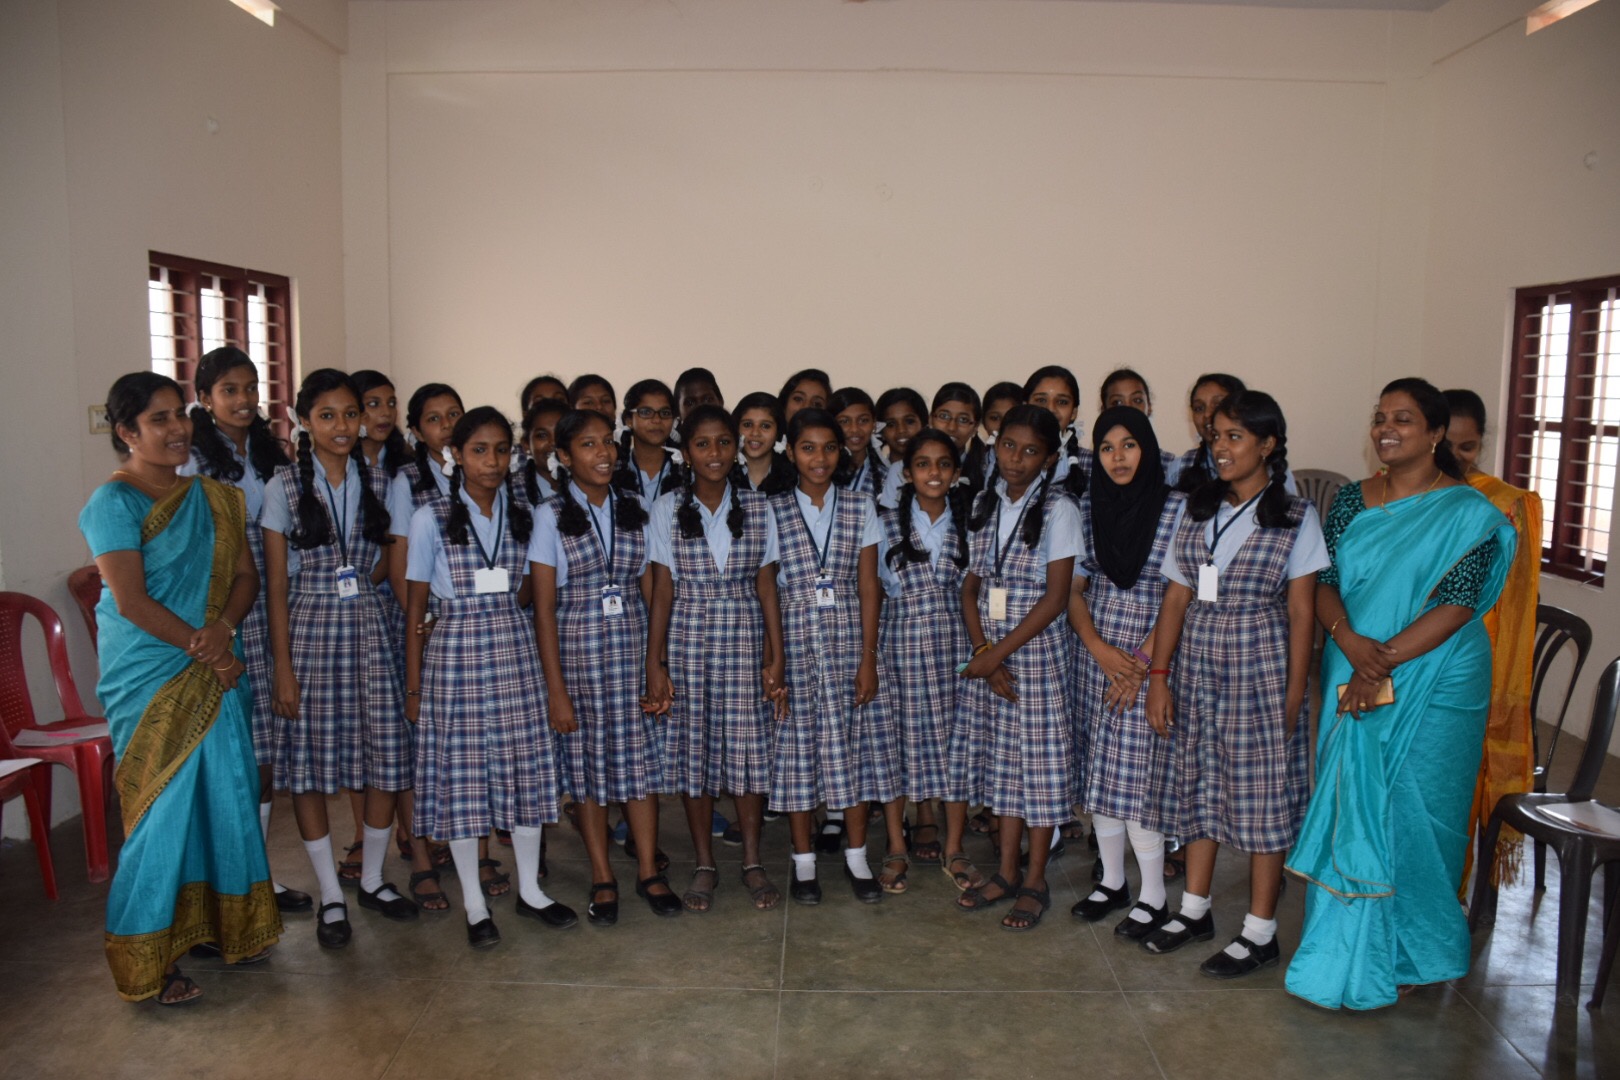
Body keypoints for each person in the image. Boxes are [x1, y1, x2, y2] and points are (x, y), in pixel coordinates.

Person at [1286, 378, 1515, 1011]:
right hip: (1351, 654)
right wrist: (1350, 643)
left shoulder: (1467, 513)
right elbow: (1325, 579)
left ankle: (1413, 951)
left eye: (1404, 419)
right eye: (1380, 417)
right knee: (1352, 797)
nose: (1386, 428)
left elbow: (1459, 602)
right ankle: (1342, 946)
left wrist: (1378, 662)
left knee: (1420, 806)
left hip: (1437, 673)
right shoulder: (1351, 500)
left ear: (1436, 433)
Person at [82, 372, 281, 1004]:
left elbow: (246, 578)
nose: (176, 430)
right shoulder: (112, 503)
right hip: (149, 673)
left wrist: (224, 631)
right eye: (158, 420)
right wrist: (209, 649)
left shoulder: (216, 498)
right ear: (126, 432)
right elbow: (132, 600)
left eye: (179, 416)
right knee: (160, 814)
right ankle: (149, 957)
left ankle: (221, 929)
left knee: (225, 796)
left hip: (214, 661)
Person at [1143, 390, 1326, 977]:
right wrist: (1159, 677)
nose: (1220, 448)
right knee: (1198, 782)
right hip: (1196, 664)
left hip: (1260, 665)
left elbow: (1302, 611)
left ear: (1268, 445)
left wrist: (1294, 693)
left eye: (1235, 437)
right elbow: (1176, 597)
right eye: (1216, 436)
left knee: (1262, 794)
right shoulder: (1197, 509)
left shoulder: (1296, 516)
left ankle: (1260, 931)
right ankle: (1194, 910)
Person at [404, 407, 576, 947]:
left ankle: (531, 891)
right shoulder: (429, 517)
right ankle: (475, 905)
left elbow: (531, 588)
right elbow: (414, 609)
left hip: (515, 648)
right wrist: (414, 687)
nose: (492, 461)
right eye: (479, 450)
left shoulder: (527, 513)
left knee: (525, 771)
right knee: (463, 780)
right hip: (455, 653)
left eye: (502, 449)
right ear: (455, 454)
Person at [263, 369, 419, 948]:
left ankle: (373, 878)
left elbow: (389, 561)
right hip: (308, 630)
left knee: (386, 755)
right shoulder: (283, 485)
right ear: (304, 421)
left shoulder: (382, 480)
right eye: (327, 415)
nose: (343, 425)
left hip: (369, 628)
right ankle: (331, 892)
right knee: (309, 766)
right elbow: (276, 585)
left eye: (351, 413)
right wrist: (283, 669)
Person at [529, 409, 679, 922]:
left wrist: (657, 662)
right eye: (588, 445)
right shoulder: (549, 515)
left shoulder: (634, 506)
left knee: (641, 767)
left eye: (607, 442)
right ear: (564, 456)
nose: (603, 453)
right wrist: (556, 691)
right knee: (587, 770)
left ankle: (648, 871)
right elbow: (543, 609)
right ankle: (601, 874)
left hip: (632, 651)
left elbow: (650, 589)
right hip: (579, 657)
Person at [179, 347, 309, 915]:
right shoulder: (191, 461)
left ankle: (256, 873)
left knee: (264, 755)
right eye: (229, 390)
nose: (243, 399)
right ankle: (223, 881)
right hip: (220, 612)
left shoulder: (270, 453)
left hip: (272, 606)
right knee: (228, 754)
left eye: (251, 388)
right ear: (205, 399)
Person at [644, 405, 789, 912]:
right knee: (695, 753)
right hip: (689, 637)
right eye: (702, 444)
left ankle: (751, 860)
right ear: (686, 453)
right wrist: (655, 663)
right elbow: (662, 589)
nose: (715, 452)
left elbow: (767, 586)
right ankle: (704, 862)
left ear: (737, 447)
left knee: (748, 751)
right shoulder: (666, 508)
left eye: (724, 442)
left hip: (745, 635)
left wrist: (776, 657)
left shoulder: (760, 507)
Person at [948, 404, 1080, 931]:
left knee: (1039, 769)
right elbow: (970, 588)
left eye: (1030, 451)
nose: (1015, 459)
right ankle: (1005, 871)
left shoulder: (1060, 510)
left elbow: (1056, 597)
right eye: (1008, 446)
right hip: (992, 651)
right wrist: (983, 652)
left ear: (1048, 458)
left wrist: (996, 655)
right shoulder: (986, 501)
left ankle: (1036, 879)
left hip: (1036, 651)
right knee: (1003, 765)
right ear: (994, 444)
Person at [767, 408, 894, 904]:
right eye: (807, 448)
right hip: (795, 640)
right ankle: (803, 863)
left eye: (828, 448)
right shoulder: (772, 509)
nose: (818, 458)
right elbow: (766, 588)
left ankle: (857, 857)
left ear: (841, 452)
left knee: (854, 749)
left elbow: (869, 586)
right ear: (790, 452)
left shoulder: (860, 506)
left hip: (847, 641)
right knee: (796, 752)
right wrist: (774, 659)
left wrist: (869, 658)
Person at [1068, 407, 1183, 938]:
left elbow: (1179, 595)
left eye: (1129, 445)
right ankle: (1112, 882)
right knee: (1101, 775)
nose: (1118, 457)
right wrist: (1098, 648)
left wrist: (1139, 665)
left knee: (1138, 780)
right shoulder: (1087, 506)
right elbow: (1073, 588)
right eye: (1107, 447)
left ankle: (1154, 896)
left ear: (1149, 449)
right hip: (1096, 654)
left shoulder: (1176, 507)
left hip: (1152, 655)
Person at [1444, 387, 1543, 890]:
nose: (1457, 458)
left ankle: (1450, 891)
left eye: (1468, 447)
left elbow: (1517, 601)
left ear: (1482, 443)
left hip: (1475, 656)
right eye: (1446, 446)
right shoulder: (1392, 491)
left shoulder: (1506, 504)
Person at [877, 430, 973, 886]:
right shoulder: (884, 523)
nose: (933, 473)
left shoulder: (970, 522)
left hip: (955, 647)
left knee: (957, 746)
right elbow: (872, 590)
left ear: (956, 473)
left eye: (943, 464)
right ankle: (897, 845)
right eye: (922, 464)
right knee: (895, 744)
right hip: (899, 646)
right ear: (907, 472)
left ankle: (954, 846)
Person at [1098, 368, 1181, 483]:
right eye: (1117, 402)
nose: (1128, 408)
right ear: (1104, 410)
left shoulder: (1170, 465)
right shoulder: (1098, 467)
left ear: (1149, 407)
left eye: (1137, 400)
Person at [613, 379, 683, 505]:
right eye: (646, 412)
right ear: (629, 420)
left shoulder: (686, 470)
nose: (657, 420)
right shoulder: (613, 469)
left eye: (665, 413)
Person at [1172, 374, 1244, 492]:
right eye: (1199, 408)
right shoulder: (1179, 467)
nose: (1207, 414)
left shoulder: (1260, 466)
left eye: (1218, 405)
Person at [1024, 366, 1087, 483]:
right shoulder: (1006, 459)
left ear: (1073, 413)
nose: (1051, 409)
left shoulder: (1089, 463)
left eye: (1062, 402)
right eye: (1041, 400)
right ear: (1024, 406)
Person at [733, 392, 796, 495]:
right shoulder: (723, 475)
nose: (755, 433)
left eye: (765, 426)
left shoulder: (794, 477)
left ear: (778, 433)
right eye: (747, 424)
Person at [831, 387, 884, 500]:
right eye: (844, 421)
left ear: (874, 424)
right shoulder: (821, 472)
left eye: (863, 420)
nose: (854, 429)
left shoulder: (887, 478)